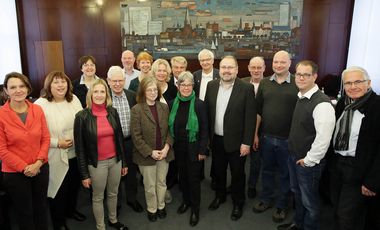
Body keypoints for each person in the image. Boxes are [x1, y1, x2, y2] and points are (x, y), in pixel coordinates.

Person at [278, 60, 335, 230]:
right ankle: (299, 224)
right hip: (295, 157)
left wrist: (309, 160)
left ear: (315, 77)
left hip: (308, 163)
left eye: (306, 74)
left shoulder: (322, 103)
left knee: (310, 202)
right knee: (298, 195)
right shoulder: (302, 96)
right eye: (299, 74)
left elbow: (323, 139)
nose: (301, 77)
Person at [328, 66, 380, 230]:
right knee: (336, 207)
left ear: (369, 83)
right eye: (348, 83)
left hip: (359, 169)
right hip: (337, 165)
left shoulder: (377, 107)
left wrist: (372, 181)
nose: (352, 87)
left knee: (347, 214)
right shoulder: (343, 102)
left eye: (358, 82)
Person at [205, 55, 256, 221]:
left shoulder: (246, 88)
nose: (226, 71)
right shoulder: (211, 86)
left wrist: (247, 142)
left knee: (238, 174)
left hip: (237, 142)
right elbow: (207, 113)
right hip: (217, 140)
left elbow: (250, 118)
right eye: (224, 67)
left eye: (230, 67)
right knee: (218, 172)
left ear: (236, 69)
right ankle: (220, 196)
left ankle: (238, 202)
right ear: (220, 69)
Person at [74, 79, 128, 230]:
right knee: (98, 197)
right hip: (97, 164)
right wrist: (84, 174)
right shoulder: (82, 116)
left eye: (102, 91)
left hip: (115, 161)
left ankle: (113, 220)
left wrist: (123, 162)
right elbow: (80, 149)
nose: (99, 95)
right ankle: (101, 226)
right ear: (90, 95)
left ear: (107, 94)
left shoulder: (113, 112)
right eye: (95, 91)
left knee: (113, 193)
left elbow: (119, 139)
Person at [35, 71, 85, 230]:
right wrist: (57, 143)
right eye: (56, 82)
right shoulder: (40, 105)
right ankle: (59, 222)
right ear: (49, 85)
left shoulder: (74, 99)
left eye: (63, 82)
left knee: (73, 186)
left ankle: (71, 211)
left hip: (76, 153)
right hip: (55, 154)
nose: (60, 85)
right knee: (58, 190)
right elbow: (36, 134)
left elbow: (82, 122)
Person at [0, 72, 50, 230]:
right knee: (24, 212)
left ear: (28, 88)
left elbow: (46, 138)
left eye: (21, 86)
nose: (18, 90)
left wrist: (38, 162)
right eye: (12, 87)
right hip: (15, 173)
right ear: (6, 91)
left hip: (41, 167)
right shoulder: (1, 114)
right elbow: (2, 149)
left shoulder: (37, 109)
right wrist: (24, 167)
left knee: (41, 208)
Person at [253, 50, 298, 223]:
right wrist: (255, 134)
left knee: (286, 175)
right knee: (267, 171)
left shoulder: (297, 83)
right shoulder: (264, 83)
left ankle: (282, 205)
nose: (278, 65)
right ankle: (266, 199)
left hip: (288, 140)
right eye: (276, 62)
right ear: (272, 64)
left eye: (282, 62)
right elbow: (258, 112)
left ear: (289, 63)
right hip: (266, 138)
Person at [130, 76, 174, 222]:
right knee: (149, 185)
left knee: (161, 182)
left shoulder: (164, 107)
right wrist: (150, 152)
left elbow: (170, 130)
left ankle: (161, 206)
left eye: (155, 89)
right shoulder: (136, 110)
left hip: (164, 153)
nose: (153, 92)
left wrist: (167, 147)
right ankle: (152, 208)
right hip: (146, 155)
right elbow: (136, 136)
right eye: (149, 90)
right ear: (143, 91)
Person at [168, 71, 209, 226]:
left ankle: (195, 210)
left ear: (193, 86)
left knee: (194, 179)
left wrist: (202, 150)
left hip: (194, 148)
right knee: (183, 177)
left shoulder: (199, 104)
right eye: (182, 84)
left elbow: (205, 129)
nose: (185, 88)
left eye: (189, 85)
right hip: (178, 148)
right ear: (178, 86)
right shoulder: (172, 104)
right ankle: (186, 201)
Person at [106, 66, 143, 213]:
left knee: (131, 172)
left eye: (120, 80)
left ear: (124, 80)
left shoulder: (132, 95)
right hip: (112, 143)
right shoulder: (104, 98)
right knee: (114, 174)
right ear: (108, 81)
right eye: (114, 81)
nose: (117, 84)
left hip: (129, 141)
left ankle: (132, 199)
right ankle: (116, 203)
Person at [242, 56, 266, 199]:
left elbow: (259, 112)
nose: (256, 70)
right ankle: (236, 183)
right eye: (253, 67)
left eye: (259, 67)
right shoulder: (242, 82)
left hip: (261, 130)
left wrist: (255, 133)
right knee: (239, 160)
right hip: (242, 128)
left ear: (264, 68)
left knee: (256, 161)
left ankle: (252, 185)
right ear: (249, 68)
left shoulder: (269, 84)